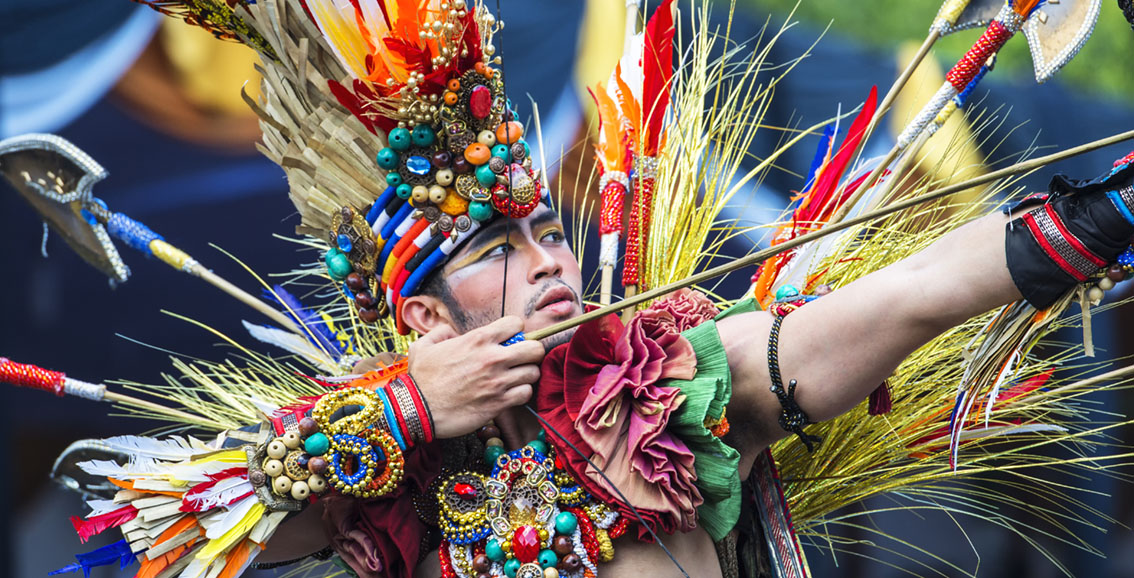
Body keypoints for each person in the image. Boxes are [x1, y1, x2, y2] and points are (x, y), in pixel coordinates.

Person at [33, 1, 1134, 578]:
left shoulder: (673, 387)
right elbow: (145, 542)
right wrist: (404, 412)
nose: (556, 262)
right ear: (421, 316)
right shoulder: (377, 475)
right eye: (502, 247)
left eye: (550, 229)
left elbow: (915, 291)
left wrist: (1106, 215)